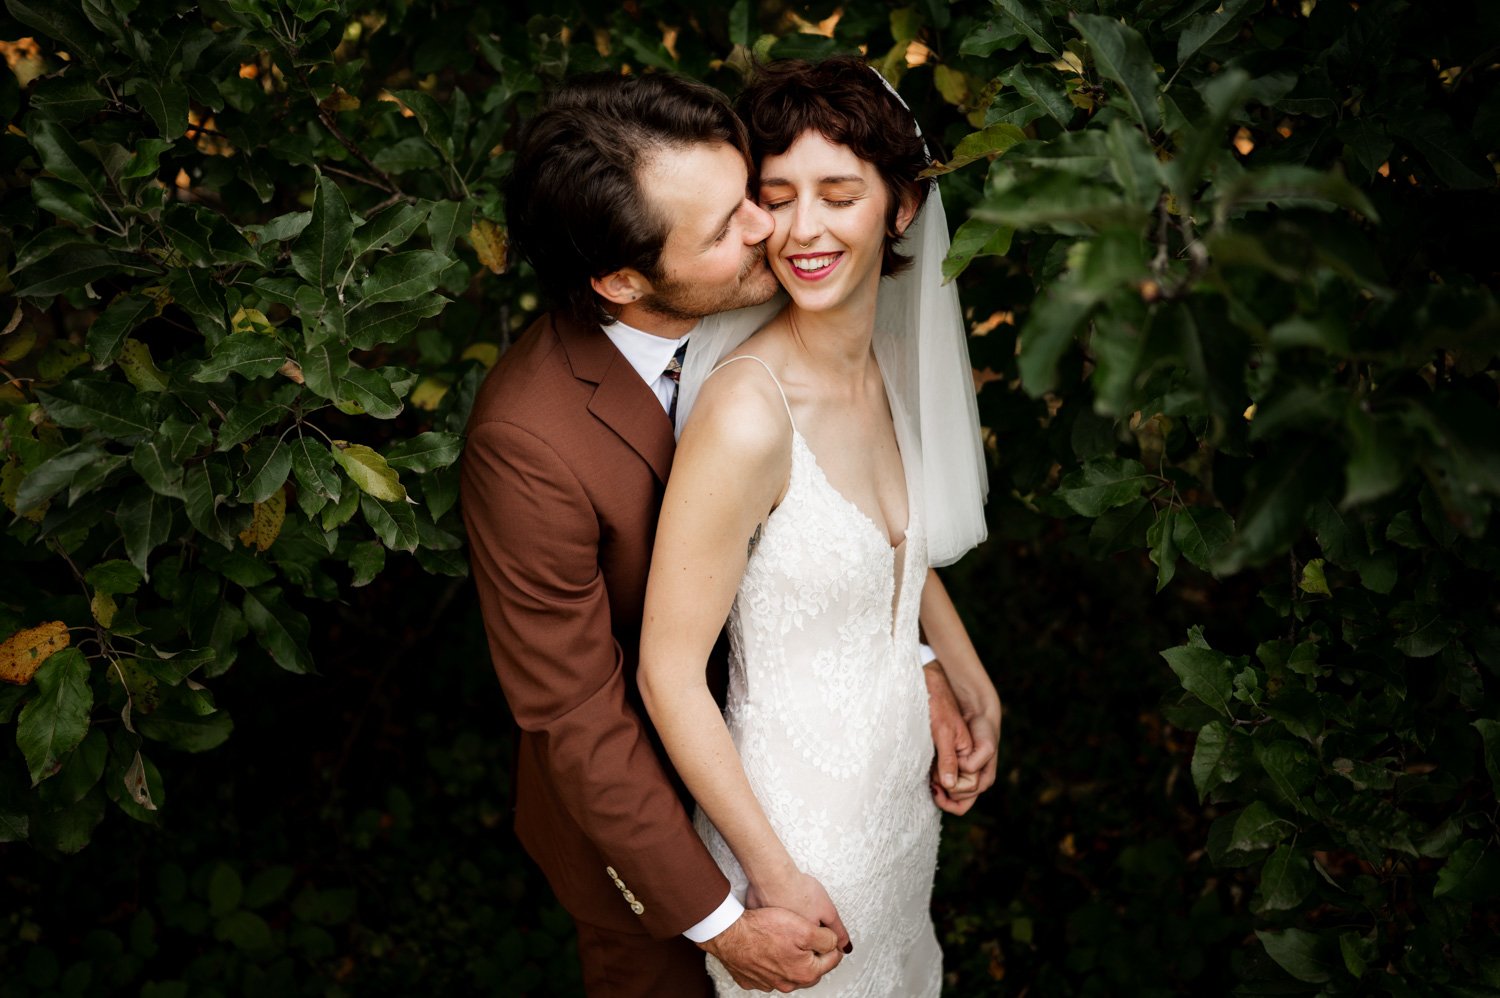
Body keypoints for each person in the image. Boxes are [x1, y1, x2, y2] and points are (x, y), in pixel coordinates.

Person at [460, 69, 995, 996]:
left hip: (848, 783)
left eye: (749, 192)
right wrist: (724, 917)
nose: (771, 227)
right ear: (625, 279)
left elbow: (833, 530)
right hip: (654, 840)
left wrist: (921, 661)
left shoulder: (778, 296)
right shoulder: (527, 443)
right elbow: (582, 717)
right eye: (734, 221)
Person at [637, 58, 999, 997]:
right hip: (793, 845)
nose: (804, 230)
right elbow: (668, 674)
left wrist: (962, 670)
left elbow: (888, 550)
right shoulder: (748, 414)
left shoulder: (881, 366)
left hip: (897, 823)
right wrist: (771, 876)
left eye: (839, 195)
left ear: (903, 207)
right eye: (778, 196)